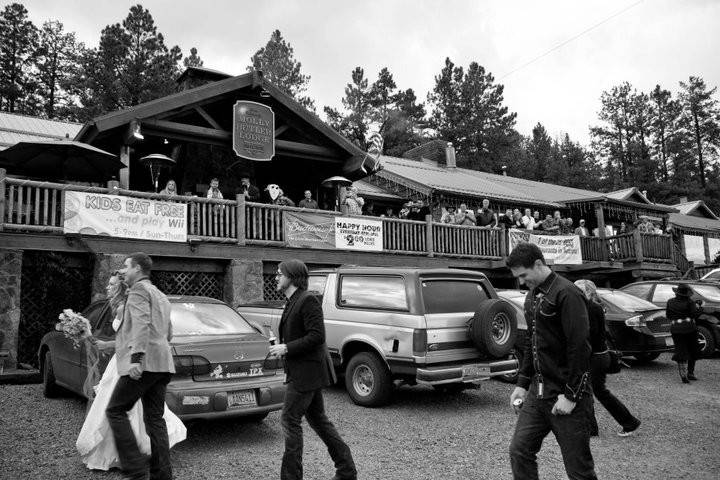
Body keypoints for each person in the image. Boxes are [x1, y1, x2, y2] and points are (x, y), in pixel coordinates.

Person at [77, 272, 185, 472]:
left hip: (129, 364)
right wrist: (89, 336)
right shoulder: (148, 303)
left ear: (120, 288)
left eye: (111, 285)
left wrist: (112, 347)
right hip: (143, 363)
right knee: (149, 415)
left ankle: (132, 462)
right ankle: (156, 465)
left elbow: (132, 340)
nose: (108, 288)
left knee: (117, 410)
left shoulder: (124, 307)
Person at [507, 243, 596, 480]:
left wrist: (571, 396)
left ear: (538, 264)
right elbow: (531, 343)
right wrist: (521, 384)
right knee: (519, 451)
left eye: (524, 275)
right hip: (538, 393)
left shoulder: (567, 293)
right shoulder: (532, 296)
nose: (522, 282)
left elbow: (580, 348)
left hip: (567, 394)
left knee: (579, 470)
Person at [269, 260, 357, 480]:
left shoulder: (307, 300)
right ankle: (347, 471)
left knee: (290, 420)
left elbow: (317, 336)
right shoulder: (292, 301)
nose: (276, 277)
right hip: (303, 371)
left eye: (280, 273)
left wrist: (286, 347)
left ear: (292, 276)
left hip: (306, 374)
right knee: (319, 420)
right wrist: (281, 345)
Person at [106, 253, 177, 480]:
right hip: (163, 363)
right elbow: (169, 333)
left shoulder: (138, 290)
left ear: (137, 268)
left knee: (115, 410)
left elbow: (142, 325)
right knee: (155, 420)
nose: (123, 271)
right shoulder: (161, 295)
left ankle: (136, 469)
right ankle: (163, 475)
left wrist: (136, 358)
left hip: (144, 363)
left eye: (126, 267)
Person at [574, 280, 641, 437]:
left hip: (596, 357)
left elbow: (593, 333)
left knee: (592, 391)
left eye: (580, 290)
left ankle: (627, 422)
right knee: (592, 391)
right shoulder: (588, 307)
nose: (576, 293)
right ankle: (595, 427)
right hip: (598, 355)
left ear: (589, 292)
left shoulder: (591, 307)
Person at [666, 284, 702, 383]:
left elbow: (668, 316)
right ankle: (690, 373)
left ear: (677, 292)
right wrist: (699, 308)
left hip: (676, 329)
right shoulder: (690, 302)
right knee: (692, 349)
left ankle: (683, 373)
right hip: (690, 329)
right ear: (687, 294)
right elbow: (694, 315)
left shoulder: (670, 302)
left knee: (680, 349)